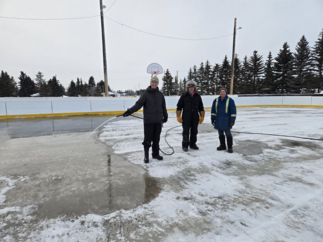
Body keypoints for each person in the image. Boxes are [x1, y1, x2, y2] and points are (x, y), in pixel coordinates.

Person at [122, 76, 168, 163]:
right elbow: (138, 105)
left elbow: (163, 107)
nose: (154, 83)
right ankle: (146, 156)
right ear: (150, 83)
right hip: (149, 121)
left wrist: (165, 116)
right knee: (147, 140)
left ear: (157, 83)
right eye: (152, 82)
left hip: (158, 121)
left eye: (155, 82)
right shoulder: (146, 94)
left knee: (156, 139)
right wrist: (129, 111)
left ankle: (155, 154)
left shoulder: (160, 94)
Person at [176, 80, 204, 151]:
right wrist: (178, 116)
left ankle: (192, 144)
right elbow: (179, 106)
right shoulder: (184, 96)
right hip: (186, 117)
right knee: (186, 131)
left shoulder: (198, 96)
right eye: (189, 87)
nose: (191, 88)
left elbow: (201, 107)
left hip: (195, 117)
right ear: (187, 88)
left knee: (194, 131)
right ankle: (185, 145)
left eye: (192, 87)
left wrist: (202, 116)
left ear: (194, 88)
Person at [211, 87, 237, 153]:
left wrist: (232, 120)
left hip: (226, 121)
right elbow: (213, 110)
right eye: (221, 92)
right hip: (218, 120)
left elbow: (233, 111)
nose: (222, 93)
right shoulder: (216, 100)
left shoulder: (230, 100)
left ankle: (230, 147)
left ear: (226, 93)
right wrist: (212, 118)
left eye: (224, 92)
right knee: (220, 134)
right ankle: (222, 145)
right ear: (220, 93)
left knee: (228, 134)